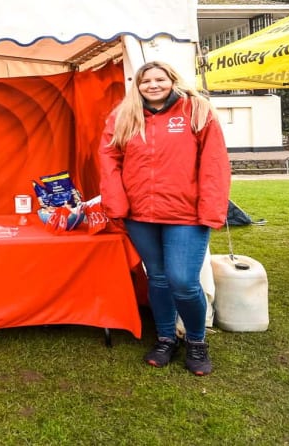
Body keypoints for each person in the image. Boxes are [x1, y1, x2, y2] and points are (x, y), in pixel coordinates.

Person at [98, 60, 230, 376]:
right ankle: (166, 337)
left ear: (172, 80)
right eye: (146, 81)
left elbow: (214, 162)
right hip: (140, 214)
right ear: (137, 85)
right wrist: (117, 205)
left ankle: (196, 341)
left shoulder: (197, 110)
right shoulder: (123, 115)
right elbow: (108, 160)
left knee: (183, 281)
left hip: (186, 213)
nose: (153, 85)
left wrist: (211, 209)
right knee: (157, 277)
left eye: (160, 79)